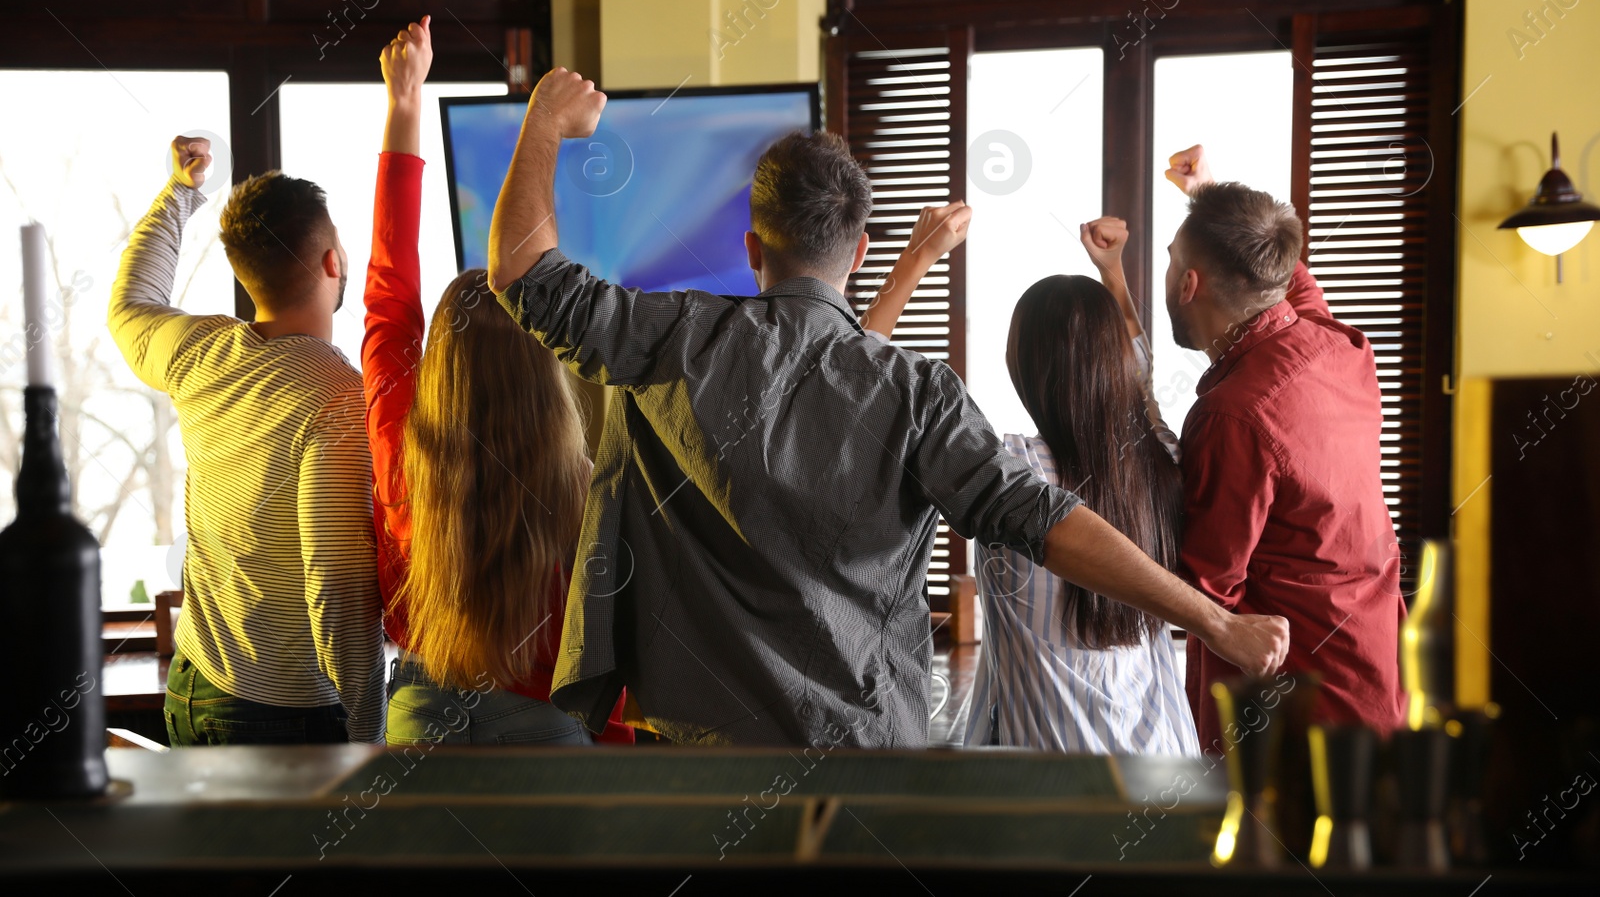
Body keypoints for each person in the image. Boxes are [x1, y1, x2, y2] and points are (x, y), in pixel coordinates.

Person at [485, 69, 1289, 748]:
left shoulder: (670, 337)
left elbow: (523, 271)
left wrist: (547, 119)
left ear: (753, 247)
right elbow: (1046, 518)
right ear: (860, 250)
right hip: (865, 770)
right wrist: (1216, 624)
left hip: (695, 771)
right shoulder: (915, 395)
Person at [362, 17, 631, 746]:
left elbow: (389, 298)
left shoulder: (400, 447)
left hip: (420, 724)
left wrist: (405, 102)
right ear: (544, 365)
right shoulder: (588, 487)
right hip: (549, 741)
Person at [867, 211, 1197, 754]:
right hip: (1165, 765)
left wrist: (917, 259)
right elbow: (1139, 380)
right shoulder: (1160, 460)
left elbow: (859, 378)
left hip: (1054, 784)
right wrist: (1113, 274)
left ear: (1021, 364)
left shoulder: (1009, 473)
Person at [109, 137, 384, 745]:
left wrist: (181, 194)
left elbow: (132, 304)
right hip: (281, 715)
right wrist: (370, 732)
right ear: (333, 262)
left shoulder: (200, 352)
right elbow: (335, 581)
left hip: (193, 683)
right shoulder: (339, 395)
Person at [1162, 144, 1406, 751]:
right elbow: (1286, 282)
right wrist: (1208, 197)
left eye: (1169, 263)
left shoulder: (1232, 416)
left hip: (1297, 707)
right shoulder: (1338, 346)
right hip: (1376, 667)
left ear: (1190, 284)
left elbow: (1204, 593)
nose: (1163, 273)